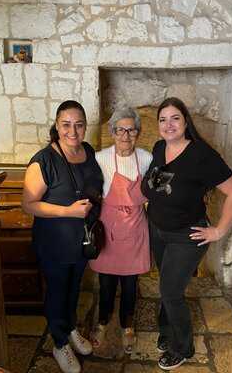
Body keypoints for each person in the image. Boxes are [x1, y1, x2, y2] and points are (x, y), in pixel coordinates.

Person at [141, 97, 232, 371]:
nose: (168, 124)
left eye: (175, 118)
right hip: (159, 231)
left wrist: (219, 230)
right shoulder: (159, 148)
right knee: (166, 285)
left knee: (170, 291)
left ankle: (183, 347)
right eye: (163, 119)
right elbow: (156, 185)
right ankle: (167, 332)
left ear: (186, 121)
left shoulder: (201, 155)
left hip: (187, 235)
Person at [22, 100, 103, 373]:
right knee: (57, 291)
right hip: (54, 242)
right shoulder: (44, 160)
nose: (73, 130)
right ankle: (59, 343)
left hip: (81, 241)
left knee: (74, 288)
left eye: (79, 124)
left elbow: (93, 183)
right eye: (66, 124)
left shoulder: (88, 151)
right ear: (56, 126)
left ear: (84, 127)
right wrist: (67, 210)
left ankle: (69, 329)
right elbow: (29, 204)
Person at [89, 107, 152, 354]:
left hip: (135, 228)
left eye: (131, 130)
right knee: (106, 283)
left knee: (129, 284)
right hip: (109, 229)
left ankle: (127, 325)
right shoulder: (100, 158)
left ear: (138, 132)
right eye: (120, 130)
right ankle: (102, 322)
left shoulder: (146, 159)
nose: (125, 136)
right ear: (112, 132)